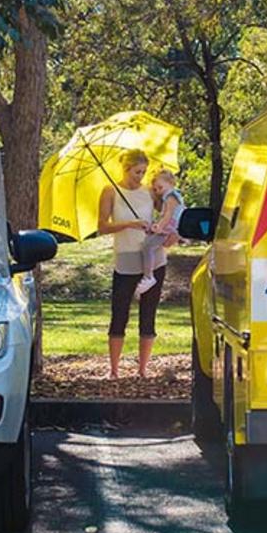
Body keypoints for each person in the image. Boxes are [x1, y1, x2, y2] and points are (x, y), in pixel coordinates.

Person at [97, 149, 165, 379]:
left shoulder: (149, 192)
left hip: (153, 260)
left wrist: (161, 228)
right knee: (119, 313)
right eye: (137, 172)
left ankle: (142, 370)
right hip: (125, 260)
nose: (140, 176)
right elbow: (102, 227)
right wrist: (129, 224)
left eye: (144, 172)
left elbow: (168, 211)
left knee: (149, 313)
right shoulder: (110, 191)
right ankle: (114, 370)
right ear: (125, 169)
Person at [135, 169, 185, 296]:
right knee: (148, 244)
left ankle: (148, 276)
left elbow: (168, 215)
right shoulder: (169, 196)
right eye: (156, 189)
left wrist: (160, 226)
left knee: (148, 247)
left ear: (171, 183)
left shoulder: (171, 196)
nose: (158, 191)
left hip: (170, 227)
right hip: (169, 227)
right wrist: (155, 226)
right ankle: (148, 276)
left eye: (160, 187)